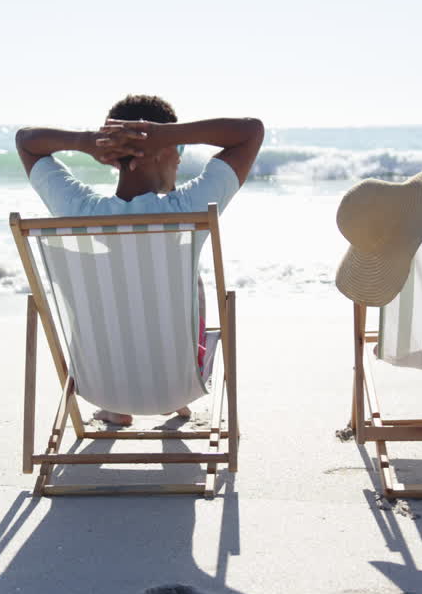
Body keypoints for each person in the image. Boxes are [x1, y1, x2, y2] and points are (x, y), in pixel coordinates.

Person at [15, 94, 263, 425]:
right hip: (181, 385)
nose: (179, 159)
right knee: (184, 271)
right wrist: (169, 135)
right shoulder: (187, 210)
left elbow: (26, 142)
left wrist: (86, 142)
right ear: (161, 147)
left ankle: (117, 407)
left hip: (98, 385)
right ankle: (169, 389)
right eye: (179, 147)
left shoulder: (78, 210)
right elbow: (251, 132)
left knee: (115, 276)